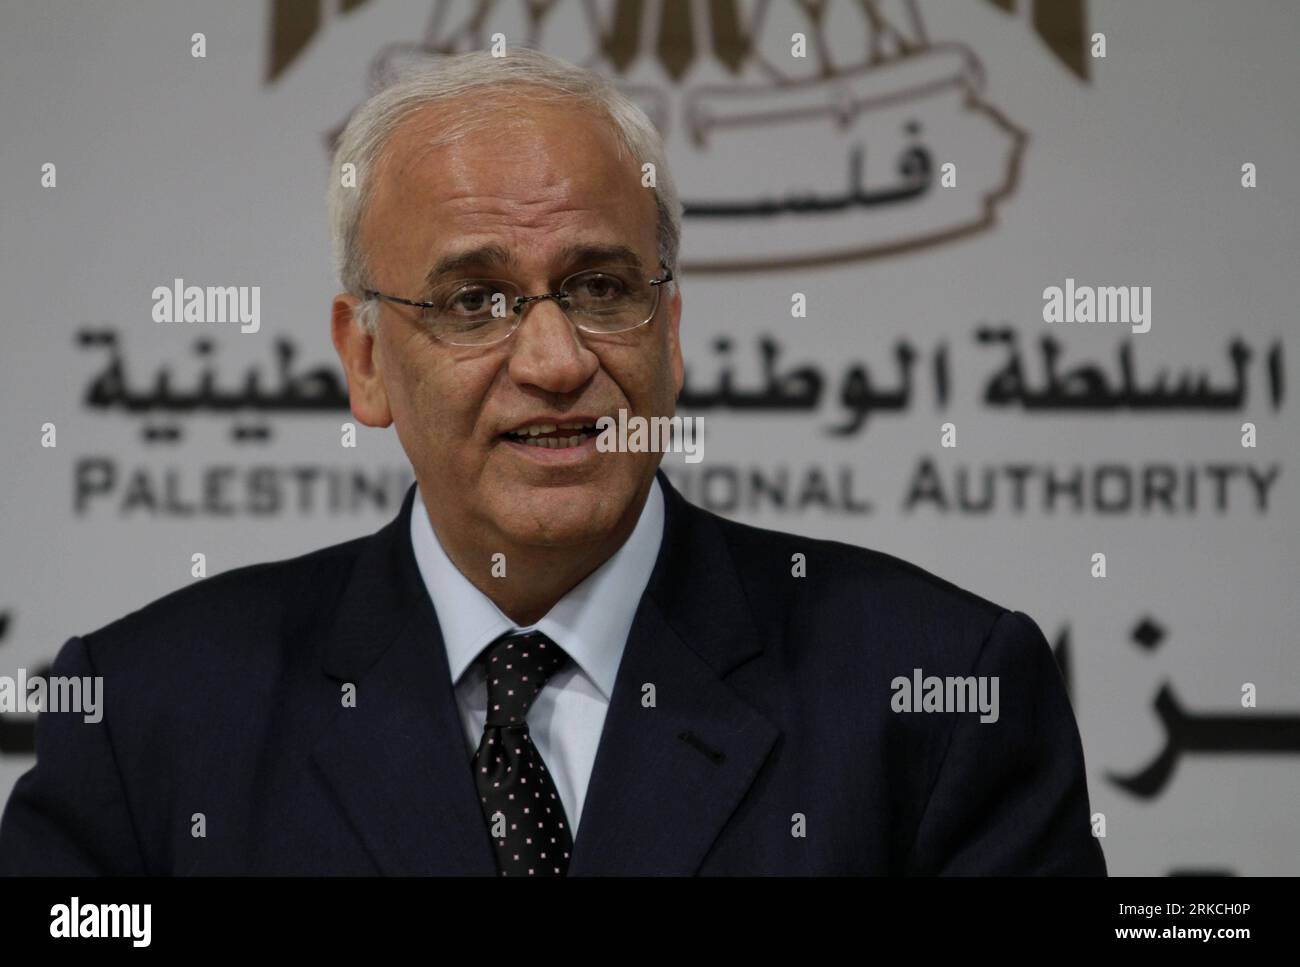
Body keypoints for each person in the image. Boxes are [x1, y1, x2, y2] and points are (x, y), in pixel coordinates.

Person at [0, 48, 1105, 876]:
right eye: (473, 300)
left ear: (669, 336)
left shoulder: (940, 700)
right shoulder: (147, 722)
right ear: (367, 359)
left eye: (599, 288)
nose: (554, 358)